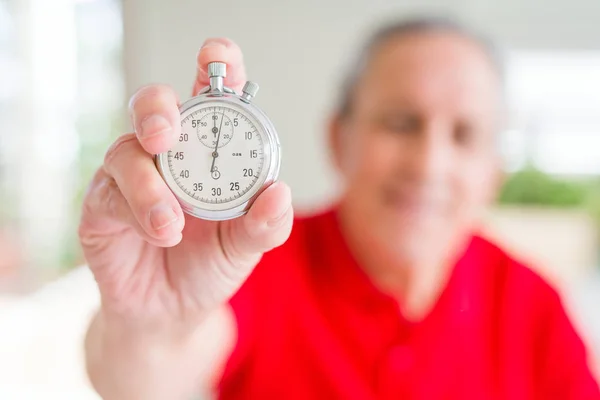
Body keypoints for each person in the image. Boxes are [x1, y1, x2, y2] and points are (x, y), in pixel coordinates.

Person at [80, 17, 600, 399]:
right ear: (338, 139)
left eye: (464, 135)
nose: (428, 163)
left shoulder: (535, 308)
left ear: (494, 172)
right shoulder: (243, 261)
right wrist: (150, 328)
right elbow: (145, 381)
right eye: (401, 122)